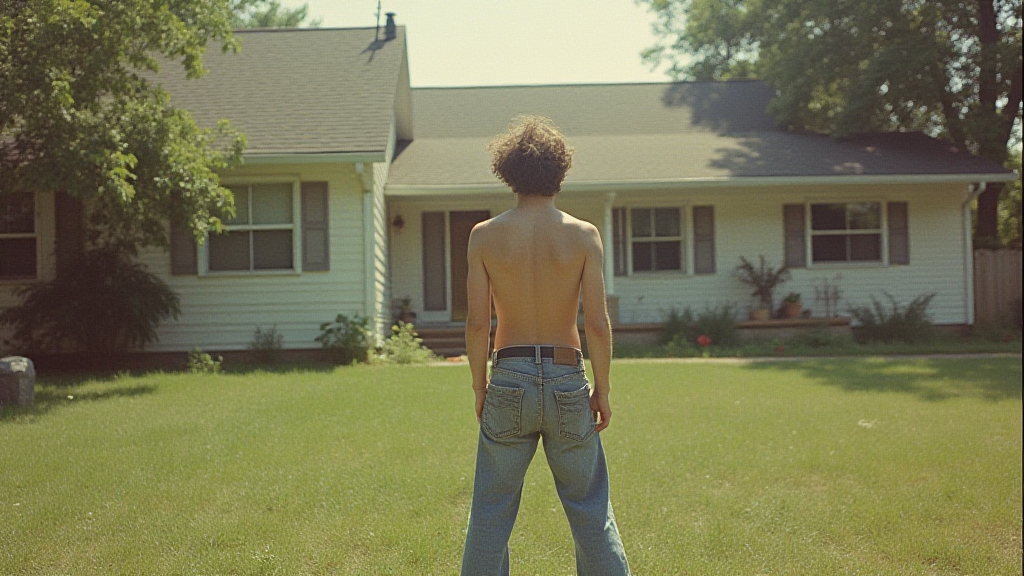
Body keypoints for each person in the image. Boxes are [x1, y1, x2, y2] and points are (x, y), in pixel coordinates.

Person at [461, 116, 631, 576]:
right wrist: (603, 389)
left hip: (509, 378)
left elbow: (479, 325)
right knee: (591, 511)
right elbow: (596, 322)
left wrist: (480, 387)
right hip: (567, 380)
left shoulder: (484, 236)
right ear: (560, 171)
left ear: (507, 171)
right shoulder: (583, 235)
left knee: (490, 512)